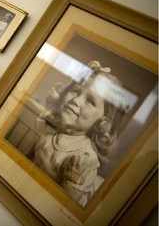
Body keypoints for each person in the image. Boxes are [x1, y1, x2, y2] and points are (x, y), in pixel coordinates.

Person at [28, 60, 126, 206]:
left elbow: (63, 206)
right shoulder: (51, 127)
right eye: (76, 91)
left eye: (90, 101)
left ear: (103, 121)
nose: (76, 100)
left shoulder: (83, 159)